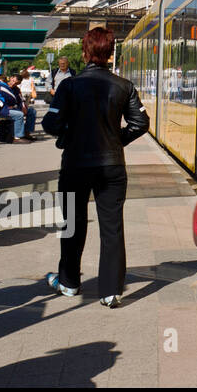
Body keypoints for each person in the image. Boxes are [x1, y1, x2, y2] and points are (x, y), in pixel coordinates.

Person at [42, 27, 149, 303]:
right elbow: (140, 123)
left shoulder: (69, 85)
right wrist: (116, 140)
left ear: (85, 52)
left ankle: (68, 282)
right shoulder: (124, 85)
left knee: (72, 224)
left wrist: (68, 134)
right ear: (111, 53)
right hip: (112, 166)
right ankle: (111, 291)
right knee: (112, 226)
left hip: (75, 164)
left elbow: (51, 123)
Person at [18, 70, 38, 137]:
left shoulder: (21, 79)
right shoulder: (30, 79)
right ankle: (27, 131)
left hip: (22, 92)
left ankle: (22, 131)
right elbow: (33, 86)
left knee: (22, 106)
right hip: (29, 93)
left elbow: (19, 86)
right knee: (26, 106)